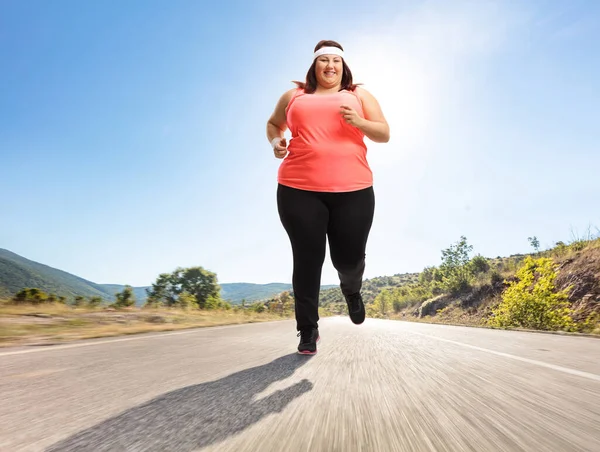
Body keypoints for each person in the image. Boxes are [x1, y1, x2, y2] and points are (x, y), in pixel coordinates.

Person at [266, 40, 390, 355]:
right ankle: (307, 330)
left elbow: (383, 133)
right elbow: (273, 124)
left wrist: (359, 123)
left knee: (348, 259)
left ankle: (352, 290)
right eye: (324, 61)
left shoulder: (359, 95)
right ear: (315, 66)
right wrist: (277, 141)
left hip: (354, 190)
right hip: (298, 188)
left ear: (343, 66)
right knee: (307, 260)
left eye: (336, 60)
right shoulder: (293, 96)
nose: (330, 66)